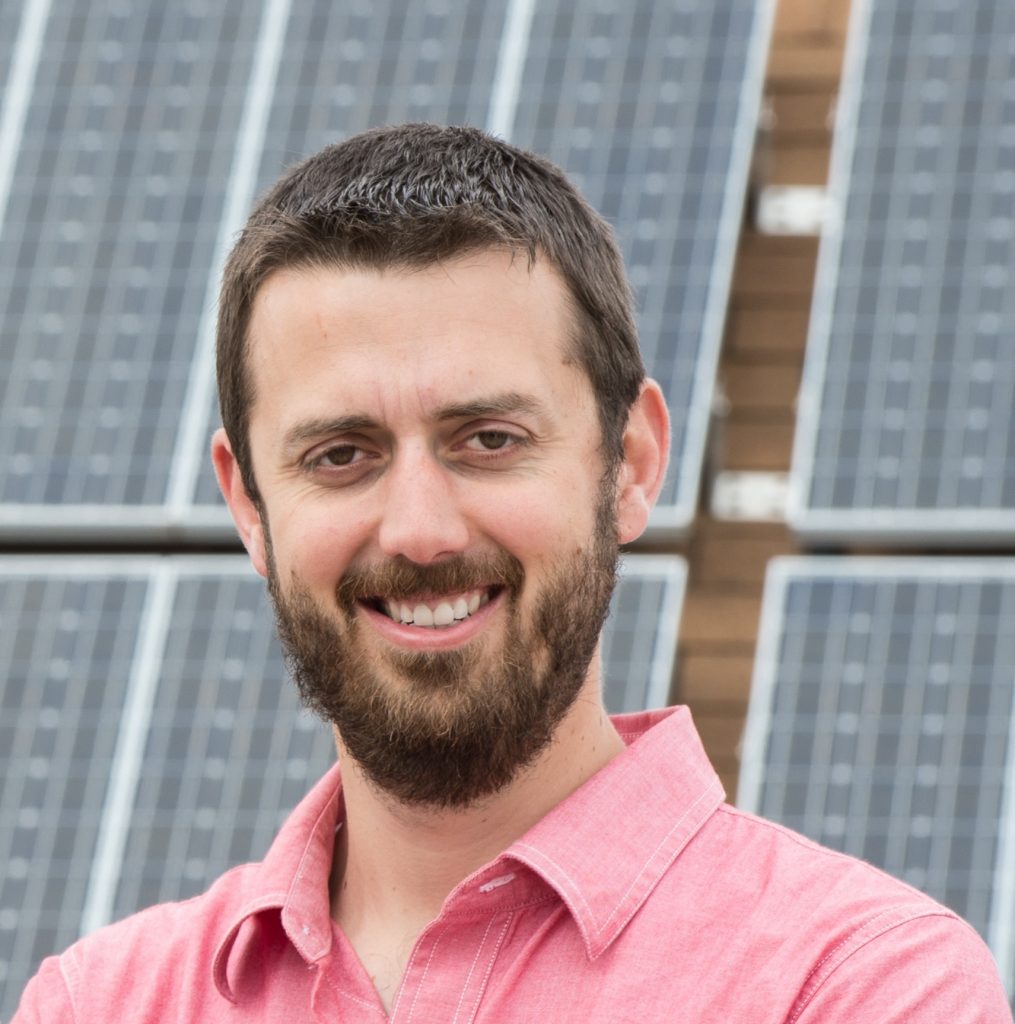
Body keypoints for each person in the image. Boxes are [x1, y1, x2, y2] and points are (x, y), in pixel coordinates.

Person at [14, 123, 1012, 1022]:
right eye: (340, 455)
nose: (419, 530)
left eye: (488, 439)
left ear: (630, 463)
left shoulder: (857, 987)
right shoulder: (104, 1001)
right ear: (249, 507)